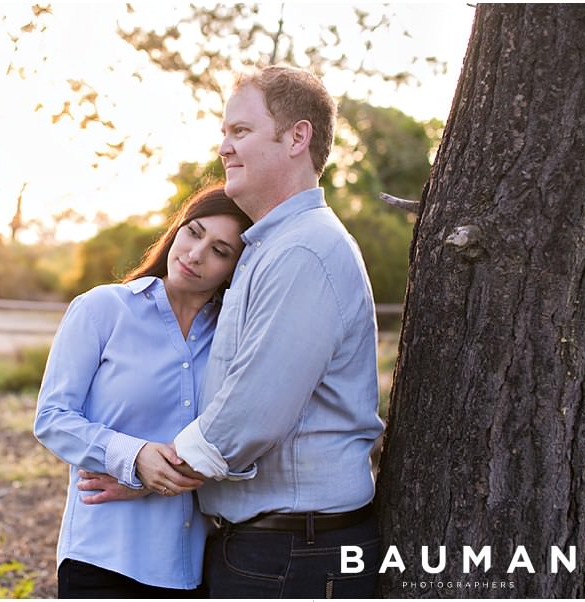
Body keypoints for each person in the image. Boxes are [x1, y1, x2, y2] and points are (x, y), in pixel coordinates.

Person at [88, 65, 385, 598]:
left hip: (297, 554)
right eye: (224, 133)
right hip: (274, 549)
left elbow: (250, 417)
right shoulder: (269, 248)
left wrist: (152, 469)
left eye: (240, 131)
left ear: (298, 137)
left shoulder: (304, 251)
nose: (224, 147)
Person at [33, 185, 253, 598]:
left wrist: (153, 478)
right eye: (193, 232)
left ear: (235, 268)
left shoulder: (233, 339)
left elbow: (237, 442)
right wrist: (132, 457)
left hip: (194, 566)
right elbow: (52, 419)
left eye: (220, 250)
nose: (195, 253)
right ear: (177, 229)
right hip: (102, 559)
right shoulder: (102, 309)